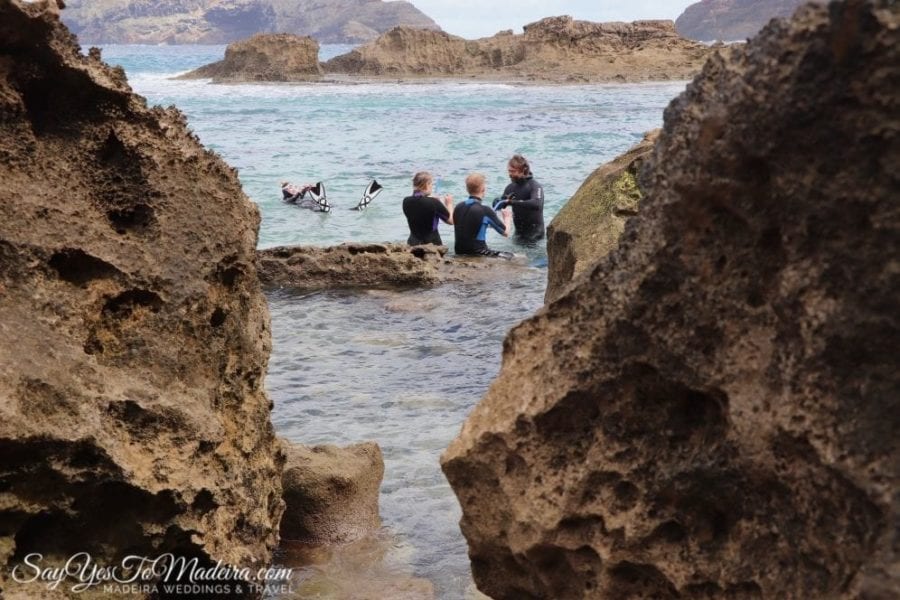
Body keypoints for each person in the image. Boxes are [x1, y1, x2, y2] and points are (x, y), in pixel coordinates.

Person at [453, 173, 512, 257]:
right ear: (483, 189)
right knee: (515, 257)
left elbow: (469, 225)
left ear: (467, 189)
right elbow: (505, 233)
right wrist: (507, 218)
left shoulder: (458, 206)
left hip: (459, 251)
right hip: (478, 253)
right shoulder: (485, 210)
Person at [493, 154, 545, 243]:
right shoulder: (510, 187)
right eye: (509, 171)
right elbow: (500, 206)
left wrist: (513, 202)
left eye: (513, 171)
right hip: (518, 235)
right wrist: (497, 202)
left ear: (523, 170)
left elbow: (537, 204)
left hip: (535, 235)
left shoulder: (534, 186)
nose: (510, 174)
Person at [402, 172, 454, 246]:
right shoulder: (433, 202)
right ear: (427, 184)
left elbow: (420, 207)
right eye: (431, 184)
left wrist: (435, 202)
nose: (432, 187)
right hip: (432, 245)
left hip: (412, 243)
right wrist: (449, 204)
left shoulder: (406, 201)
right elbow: (451, 221)